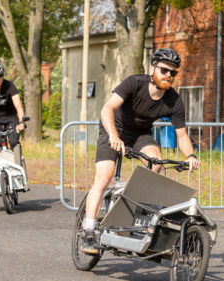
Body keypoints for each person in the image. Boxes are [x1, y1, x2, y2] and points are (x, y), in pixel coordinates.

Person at [80, 48, 200, 254]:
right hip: (112, 129)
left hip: (140, 134)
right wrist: (114, 137)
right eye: (164, 70)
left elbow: (182, 135)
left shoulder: (174, 100)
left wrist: (190, 156)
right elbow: (107, 109)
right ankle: (88, 232)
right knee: (104, 176)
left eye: (173, 73)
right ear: (153, 68)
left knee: (156, 163)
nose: (169, 76)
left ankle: (131, 214)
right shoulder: (134, 83)